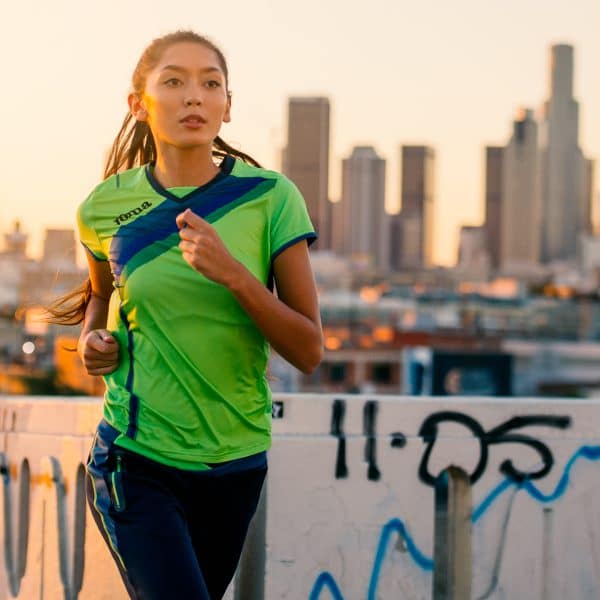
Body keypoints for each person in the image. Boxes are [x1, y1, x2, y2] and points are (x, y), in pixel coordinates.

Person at [49, 30, 323, 599]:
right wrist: (95, 338)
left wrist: (235, 275)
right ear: (138, 103)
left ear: (228, 105)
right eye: (173, 81)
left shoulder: (271, 198)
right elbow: (101, 297)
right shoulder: (104, 207)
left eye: (210, 83)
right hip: (136, 457)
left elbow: (309, 349)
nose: (193, 96)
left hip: (236, 461)